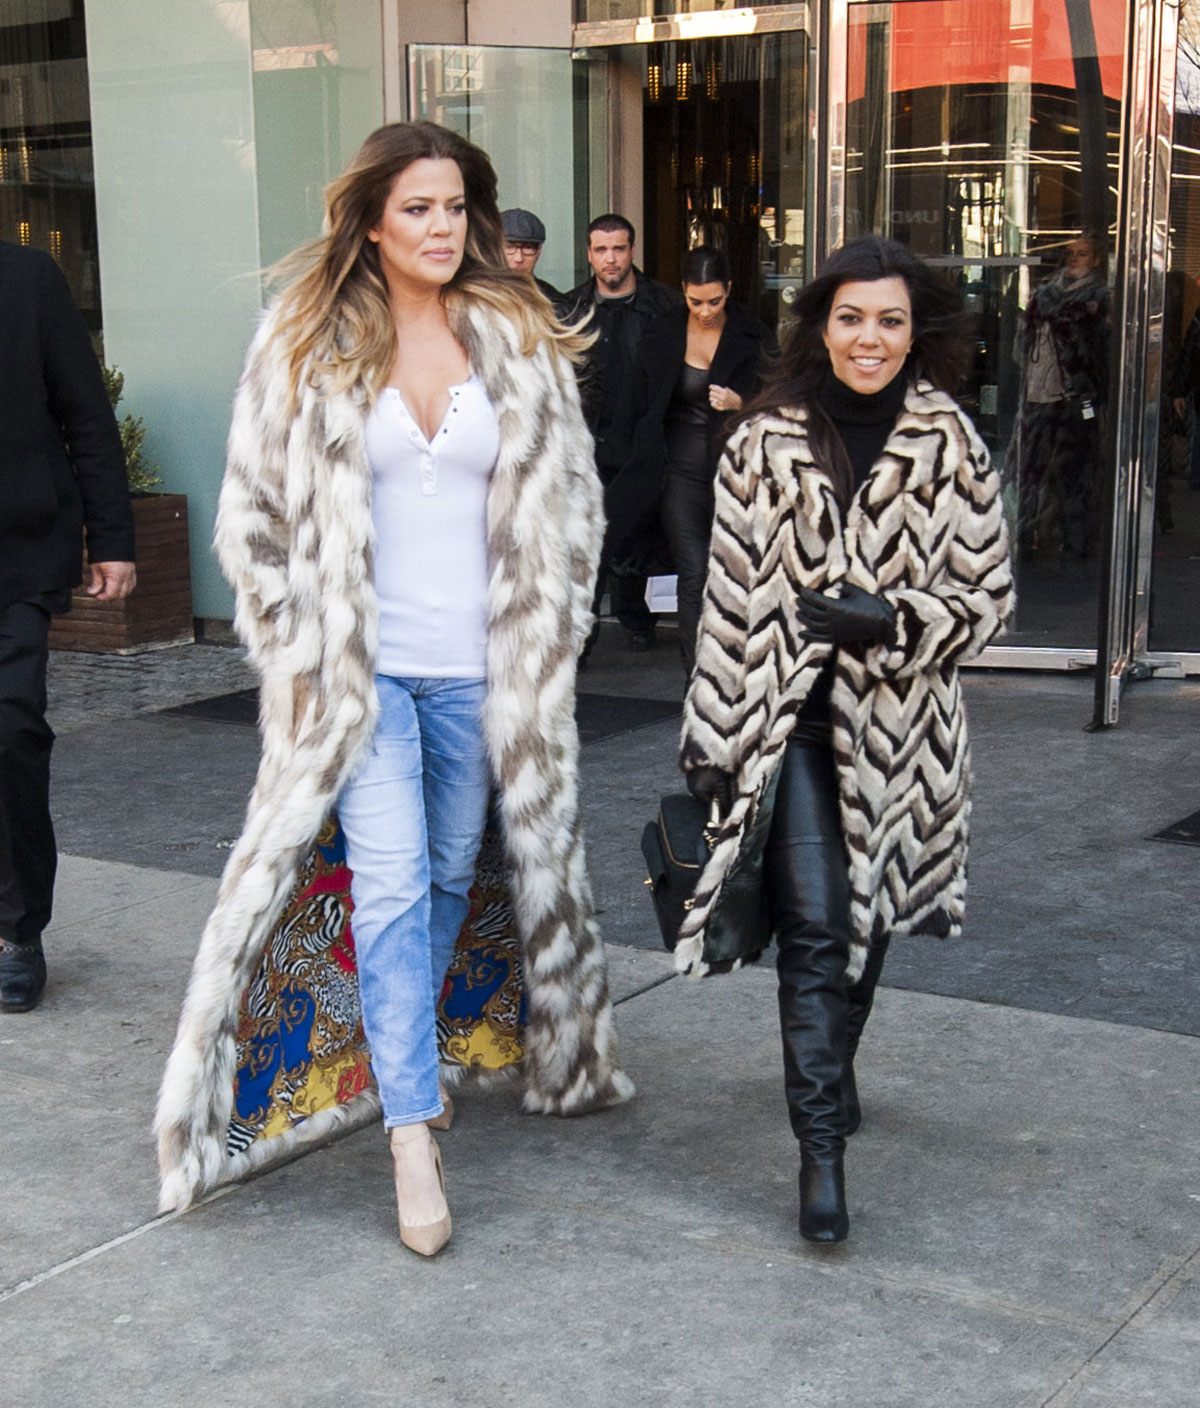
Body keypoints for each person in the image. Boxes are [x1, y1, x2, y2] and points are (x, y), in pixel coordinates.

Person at [155, 122, 633, 1254]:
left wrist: (549, 639)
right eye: (416, 207)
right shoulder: (304, 339)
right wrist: (302, 657)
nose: (439, 227)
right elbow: (251, 522)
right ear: (371, 218)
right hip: (362, 684)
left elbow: (573, 512)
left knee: (445, 884)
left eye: (455, 207)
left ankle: (399, 1057)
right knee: (389, 890)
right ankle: (412, 1131)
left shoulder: (514, 335)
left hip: (482, 677)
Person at [675, 236, 1013, 1244]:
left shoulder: (950, 442)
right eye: (853, 318)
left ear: (920, 332)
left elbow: (986, 602)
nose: (871, 339)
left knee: (861, 933)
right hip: (787, 728)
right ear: (822, 324)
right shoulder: (764, 437)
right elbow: (726, 604)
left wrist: (897, 619)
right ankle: (821, 1155)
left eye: (892, 320)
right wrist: (710, 739)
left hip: (901, 729)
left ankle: (834, 1071)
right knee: (819, 930)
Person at [0, 239, 136, 1015]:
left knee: (11, 727)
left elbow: (86, 412)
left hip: (16, 554)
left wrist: (112, 539)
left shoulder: (29, 279)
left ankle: (17, 930)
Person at [609, 245, 773, 673]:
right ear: (683, 291)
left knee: (735, 575)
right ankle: (696, 679)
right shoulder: (662, 333)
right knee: (694, 572)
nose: (704, 311)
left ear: (730, 290)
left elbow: (782, 405)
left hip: (734, 475)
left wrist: (743, 402)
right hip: (677, 474)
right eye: (695, 300)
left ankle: (736, 669)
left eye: (715, 301)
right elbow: (634, 406)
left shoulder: (752, 334)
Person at [562, 214, 679, 650]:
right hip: (586, 441)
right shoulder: (571, 308)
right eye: (601, 250)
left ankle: (638, 618)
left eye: (619, 249)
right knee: (584, 539)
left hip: (645, 441)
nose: (610, 259)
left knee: (639, 533)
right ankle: (582, 637)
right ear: (589, 254)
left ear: (632, 250)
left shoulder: (666, 307)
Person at [1009, 235, 1110, 560]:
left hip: (1074, 396)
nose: (1074, 259)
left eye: (1081, 254)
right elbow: (1021, 345)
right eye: (1069, 254)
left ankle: (1075, 540)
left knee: (1075, 472)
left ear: (1095, 260)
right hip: (1039, 393)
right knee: (1030, 470)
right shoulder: (1043, 295)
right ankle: (1028, 536)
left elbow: (1103, 353)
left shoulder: (1100, 298)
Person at [501, 207, 561, 303]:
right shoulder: (475, 297)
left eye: (528, 248)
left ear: (539, 251)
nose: (519, 258)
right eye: (510, 247)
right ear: (494, 249)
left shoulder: (554, 301)